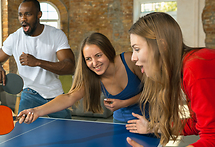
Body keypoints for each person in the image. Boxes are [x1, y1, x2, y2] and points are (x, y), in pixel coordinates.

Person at [112, 12, 215, 147]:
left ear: (162, 46)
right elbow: (198, 124)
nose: (133, 57)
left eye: (137, 49)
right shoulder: (185, 69)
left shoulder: (195, 68)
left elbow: (212, 140)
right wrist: (155, 127)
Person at [17, 32, 148, 125]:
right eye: (88, 59)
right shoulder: (92, 76)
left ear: (108, 51)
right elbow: (69, 97)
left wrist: (124, 103)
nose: (94, 63)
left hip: (150, 120)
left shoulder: (130, 60)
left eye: (98, 55)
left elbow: (156, 90)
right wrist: (36, 111)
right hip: (121, 123)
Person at [0, 0, 75, 119]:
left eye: (28, 14)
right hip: (29, 94)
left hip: (54, 95)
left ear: (39, 15)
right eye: (20, 15)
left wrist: (38, 62)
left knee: (66, 132)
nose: (23, 19)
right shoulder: (14, 38)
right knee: (23, 134)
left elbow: (70, 66)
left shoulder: (56, 35)